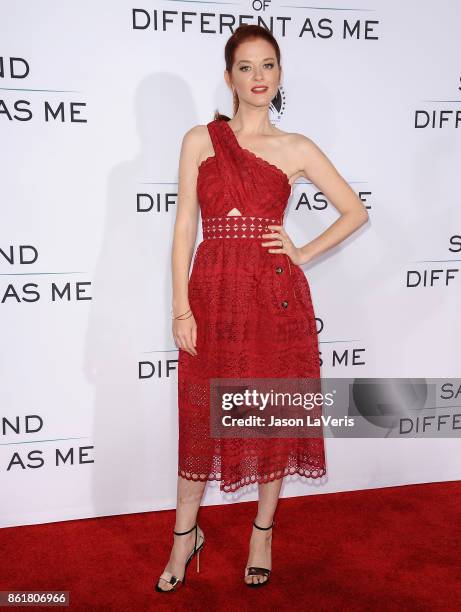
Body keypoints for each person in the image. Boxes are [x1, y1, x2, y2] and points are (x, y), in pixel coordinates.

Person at [156, 24, 369, 592]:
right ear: (228, 77)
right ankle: (185, 537)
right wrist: (181, 308)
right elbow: (183, 229)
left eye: (268, 66)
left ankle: (262, 531)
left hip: (275, 297)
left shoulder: (295, 148)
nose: (258, 77)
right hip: (212, 292)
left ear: (279, 75)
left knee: (272, 415)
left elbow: (354, 212)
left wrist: (300, 249)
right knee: (201, 416)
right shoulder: (201, 140)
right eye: (246, 67)